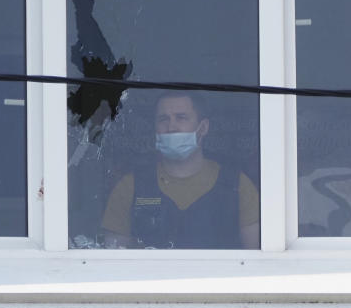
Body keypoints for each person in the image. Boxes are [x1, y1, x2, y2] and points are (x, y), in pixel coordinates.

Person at [100, 92, 260, 249]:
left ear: (203, 127)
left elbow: (257, 260)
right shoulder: (130, 186)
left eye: (181, 118)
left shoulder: (237, 186)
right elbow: (114, 260)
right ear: (155, 128)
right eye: (163, 119)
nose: (171, 127)